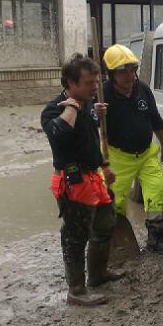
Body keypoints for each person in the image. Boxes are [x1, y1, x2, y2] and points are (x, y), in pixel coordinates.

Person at [41, 54, 126, 306]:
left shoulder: (88, 103)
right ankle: (76, 291)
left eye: (97, 81)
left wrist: (105, 165)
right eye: (89, 83)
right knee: (75, 237)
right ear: (71, 82)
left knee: (105, 224)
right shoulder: (54, 109)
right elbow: (58, 135)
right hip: (72, 181)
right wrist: (72, 108)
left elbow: (90, 141)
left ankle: (98, 275)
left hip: (93, 176)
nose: (95, 87)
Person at [99, 44, 163, 255]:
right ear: (112, 74)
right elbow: (88, 125)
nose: (129, 75)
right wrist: (95, 113)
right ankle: (115, 241)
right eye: (123, 71)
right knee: (115, 199)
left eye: (132, 69)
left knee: (157, 190)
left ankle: (156, 237)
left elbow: (156, 120)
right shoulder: (101, 94)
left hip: (146, 152)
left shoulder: (143, 89)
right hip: (117, 157)